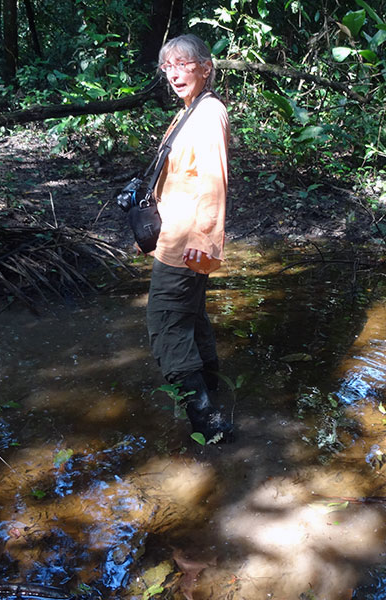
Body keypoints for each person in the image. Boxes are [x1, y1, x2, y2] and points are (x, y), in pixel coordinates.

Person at [145, 34, 232, 443]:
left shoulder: (208, 112)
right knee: (192, 319)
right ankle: (216, 392)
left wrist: (204, 237)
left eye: (184, 64)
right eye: (168, 66)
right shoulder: (187, 112)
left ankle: (209, 427)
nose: (175, 73)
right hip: (176, 238)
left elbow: (215, 181)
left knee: (166, 324)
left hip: (187, 244)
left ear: (205, 67)